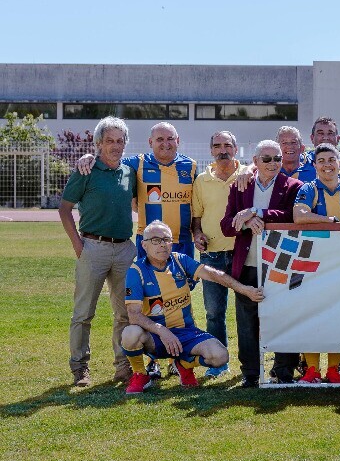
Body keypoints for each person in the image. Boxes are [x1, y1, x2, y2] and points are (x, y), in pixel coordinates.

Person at [119, 221, 264, 395]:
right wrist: (162, 331)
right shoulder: (136, 271)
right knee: (130, 333)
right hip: (156, 336)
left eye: (166, 239)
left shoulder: (179, 260)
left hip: (185, 333)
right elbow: (134, 315)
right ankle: (140, 374)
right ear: (144, 244)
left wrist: (244, 289)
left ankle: (184, 364)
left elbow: (212, 274)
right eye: (156, 240)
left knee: (220, 356)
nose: (162, 245)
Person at [59, 116, 138, 388]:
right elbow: (65, 208)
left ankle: (123, 366)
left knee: (124, 313)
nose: (115, 146)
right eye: (109, 141)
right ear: (98, 144)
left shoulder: (130, 172)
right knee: (83, 313)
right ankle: (80, 368)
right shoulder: (86, 170)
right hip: (92, 248)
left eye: (120, 141)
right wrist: (78, 245)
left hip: (125, 250)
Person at [221, 140, 302, 387]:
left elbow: (290, 216)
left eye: (277, 158)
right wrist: (245, 222)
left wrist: (257, 212)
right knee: (247, 322)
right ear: (255, 162)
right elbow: (226, 226)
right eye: (266, 159)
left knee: (284, 317)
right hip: (248, 264)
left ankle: (284, 370)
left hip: (281, 263)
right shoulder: (239, 186)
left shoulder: (293, 187)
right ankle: (250, 373)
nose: (273, 164)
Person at [292, 142, 340, 384]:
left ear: (339, 163)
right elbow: (299, 216)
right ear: (314, 165)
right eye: (321, 161)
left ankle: (334, 369)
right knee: (313, 314)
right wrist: (330, 221)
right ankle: (312, 369)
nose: (327, 165)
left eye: (331, 159)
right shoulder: (309, 188)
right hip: (314, 263)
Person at [76, 121, 200, 257]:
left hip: (183, 243)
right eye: (160, 139)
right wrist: (89, 157)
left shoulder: (191, 166)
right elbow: (109, 160)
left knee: (182, 279)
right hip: (148, 242)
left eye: (170, 138)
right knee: (148, 279)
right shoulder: (138, 163)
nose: (166, 143)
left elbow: (197, 206)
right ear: (150, 142)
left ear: (177, 140)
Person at [190, 129, 241, 378]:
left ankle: (250, 363)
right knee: (213, 312)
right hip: (211, 255)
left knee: (248, 310)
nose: (223, 150)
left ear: (236, 148)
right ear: (211, 150)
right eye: (218, 146)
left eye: (228, 145)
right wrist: (197, 234)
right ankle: (220, 362)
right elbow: (196, 218)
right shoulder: (201, 180)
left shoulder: (248, 175)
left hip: (243, 254)